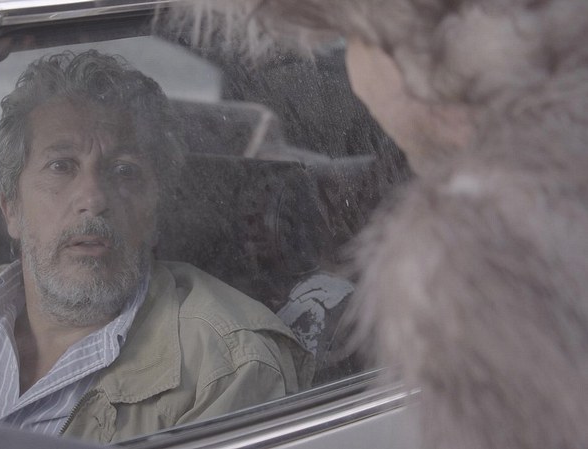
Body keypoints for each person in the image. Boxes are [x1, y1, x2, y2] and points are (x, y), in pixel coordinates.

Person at [183, 1, 588, 448]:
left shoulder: (480, 274)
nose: (350, 70)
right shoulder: (547, 202)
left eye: (354, 40)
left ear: (416, 60)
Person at [0, 50, 305, 444]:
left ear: (155, 211)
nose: (93, 199)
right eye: (61, 166)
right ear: (11, 208)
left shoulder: (226, 367)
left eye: (124, 171)